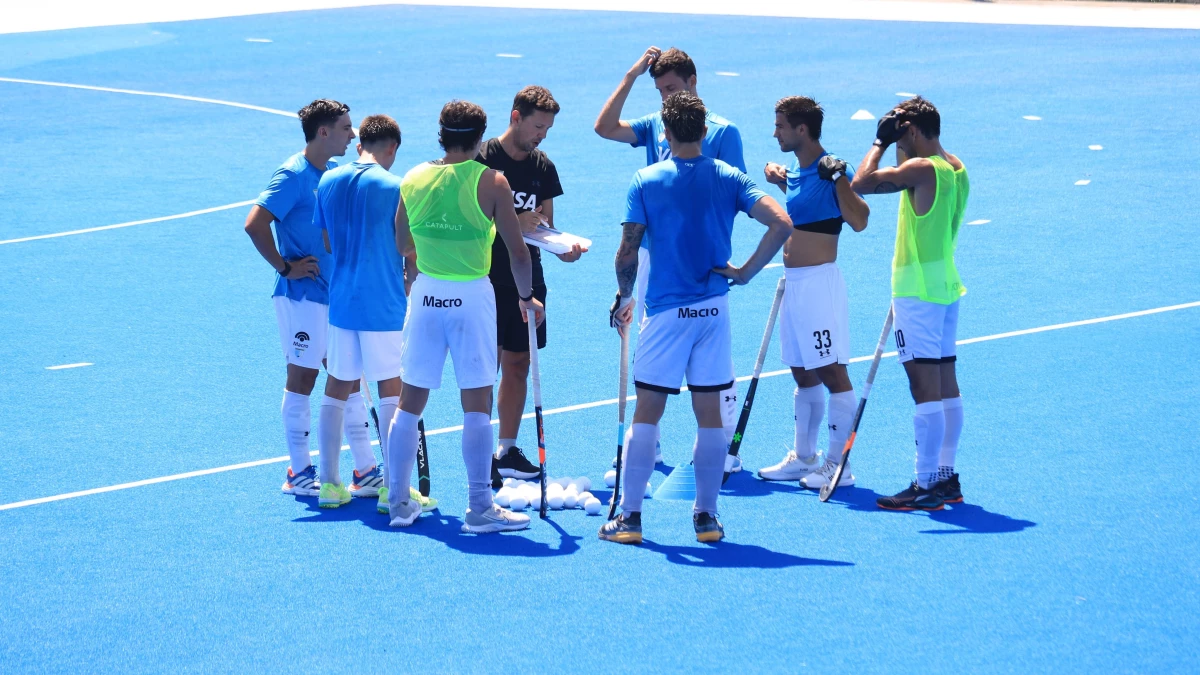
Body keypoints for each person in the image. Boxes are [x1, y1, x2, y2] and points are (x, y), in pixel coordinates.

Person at [600, 92, 792, 545]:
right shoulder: (728, 176)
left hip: (666, 313)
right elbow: (782, 222)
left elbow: (627, 252)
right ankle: (706, 517)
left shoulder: (646, 179)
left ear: (665, 133)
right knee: (709, 416)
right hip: (713, 311)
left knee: (648, 411)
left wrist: (624, 296)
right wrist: (745, 272)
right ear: (705, 131)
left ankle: (630, 517)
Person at [392, 100, 545, 532]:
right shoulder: (493, 181)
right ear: (480, 139)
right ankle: (479, 506)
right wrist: (527, 297)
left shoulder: (413, 177)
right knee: (476, 403)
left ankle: (399, 502)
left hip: (425, 295)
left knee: (409, 402)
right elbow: (518, 253)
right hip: (472, 296)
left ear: (441, 135)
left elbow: (403, 244)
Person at [594, 46, 746, 471]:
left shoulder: (722, 132)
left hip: (697, 257)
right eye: (660, 90)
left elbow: (733, 195)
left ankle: (723, 448)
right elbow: (604, 127)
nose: (665, 97)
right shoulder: (656, 124)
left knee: (713, 356)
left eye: (672, 88)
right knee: (647, 342)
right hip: (650, 256)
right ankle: (650, 444)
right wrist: (631, 75)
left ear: (693, 82)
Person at [243, 99, 376, 498]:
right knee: (304, 377)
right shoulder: (292, 175)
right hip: (302, 296)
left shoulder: (332, 173)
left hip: (336, 294)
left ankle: (366, 469)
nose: (352, 135)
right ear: (323, 132)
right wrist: (285, 267)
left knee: (348, 376)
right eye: (346, 127)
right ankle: (299, 471)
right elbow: (254, 224)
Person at [850, 96, 969, 511]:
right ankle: (946, 476)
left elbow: (861, 182)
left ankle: (925, 483)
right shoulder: (955, 167)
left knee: (924, 388)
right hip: (944, 287)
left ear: (912, 131)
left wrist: (880, 142)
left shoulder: (921, 169)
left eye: (902, 135)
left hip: (917, 293)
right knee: (946, 383)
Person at [755, 96, 870, 489]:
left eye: (781, 126)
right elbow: (798, 192)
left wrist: (839, 179)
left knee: (832, 372)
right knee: (802, 371)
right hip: (794, 286)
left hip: (820, 285)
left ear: (802, 129)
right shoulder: (798, 171)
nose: (775, 133)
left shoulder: (832, 169)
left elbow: (860, 220)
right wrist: (777, 175)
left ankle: (839, 465)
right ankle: (805, 458)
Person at [476, 85, 586, 484]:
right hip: (485, 277)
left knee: (518, 364)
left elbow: (544, 225)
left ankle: (506, 449)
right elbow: (466, 223)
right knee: (484, 368)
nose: (542, 135)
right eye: (538, 126)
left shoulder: (543, 167)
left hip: (528, 280)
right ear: (516, 117)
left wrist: (560, 247)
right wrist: (511, 221)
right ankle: (479, 453)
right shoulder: (482, 159)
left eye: (548, 129)